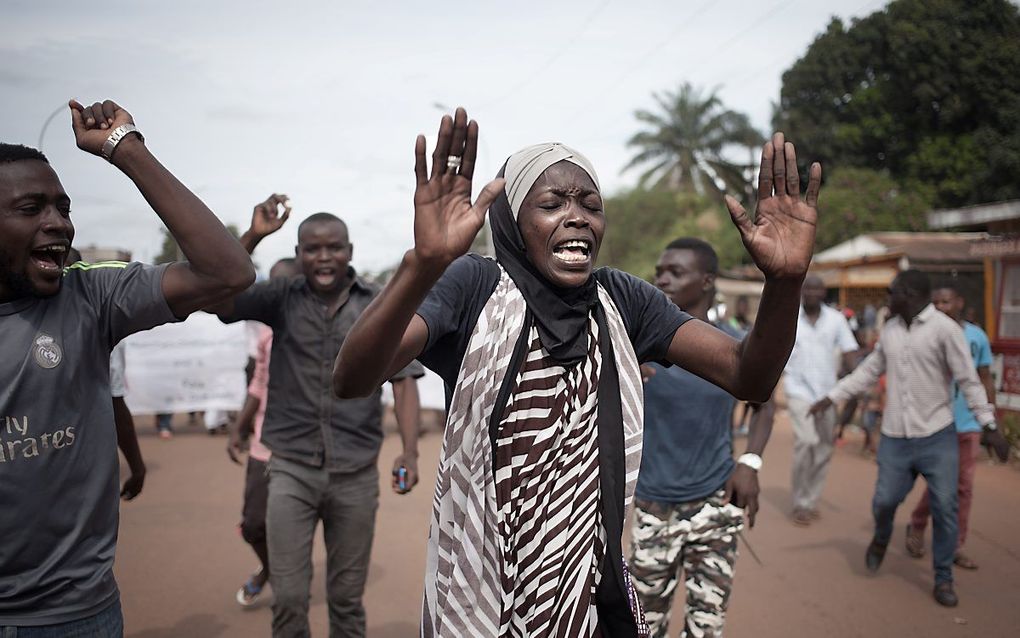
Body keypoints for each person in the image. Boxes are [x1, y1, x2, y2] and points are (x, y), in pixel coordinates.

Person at [332, 108, 821, 636]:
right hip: (480, 589)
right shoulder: (474, 287)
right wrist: (423, 265)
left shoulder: (621, 299)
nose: (578, 216)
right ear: (514, 225)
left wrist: (786, 282)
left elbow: (748, 376)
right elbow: (354, 378)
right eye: (552, 204)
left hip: (586, 593)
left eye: (591, 205)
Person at [0, 100, 254, 634]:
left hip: (81, 615)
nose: (58, 224)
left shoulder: (89, 296)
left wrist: (126, 149)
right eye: (31, 208)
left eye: (63, 208)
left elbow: (227, 272)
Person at [210, 194, 424, 637]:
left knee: (346, 600)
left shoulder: (378, 303)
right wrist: (251, 236)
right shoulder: (280, 298)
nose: (324, 257)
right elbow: (220, 299)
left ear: (350, 251)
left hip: (356, 474)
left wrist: (409, 451)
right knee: (289, 599)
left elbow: (403, 381)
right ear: (298, 255)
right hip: (290, 469)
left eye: (334, 247)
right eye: (312, 248)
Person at [810, 270, 1009, 608]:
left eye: (893, 292)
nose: (888, 298)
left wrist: (988, 423)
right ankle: (882, 536)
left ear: (911, 294)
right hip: (896, 437)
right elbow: (870, 370)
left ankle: (943, 577)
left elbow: (969, 378)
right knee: (883, 502)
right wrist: (833, 396)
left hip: (937, 435)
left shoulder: (945, 330)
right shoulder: (891, 329)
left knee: (945, 506)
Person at [629, 238, 776, 638]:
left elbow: (765, 405)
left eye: (676, 272)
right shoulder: (633, 346)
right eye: (660, 272)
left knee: (706, 629)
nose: (663, 279)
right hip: (651, 508)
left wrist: (750, 462)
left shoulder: (732, 347)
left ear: (707, 280)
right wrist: (622, 373)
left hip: (714, 506)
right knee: (644, 627)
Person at [906, 282, 997, 570]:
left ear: (960, 302)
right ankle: (918, 524)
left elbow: (984, 378)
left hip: (968, 422)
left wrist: (990, 423)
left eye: (947, 301)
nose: (942, 307)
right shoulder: (922, 333)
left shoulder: (976, 337)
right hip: (936, 423)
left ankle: (956, 545)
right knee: (940, 484)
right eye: (937, 302)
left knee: (963, 487)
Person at [226, 256, 299, 608]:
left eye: (286, 285)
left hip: (305, 454)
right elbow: (259, 384)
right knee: (254, 525)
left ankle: (288, 582)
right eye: (273, 285)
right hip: (264, 447)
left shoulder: (332, 333)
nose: (278, 293)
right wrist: (239, 427)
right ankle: (269, 569)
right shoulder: (266, 339)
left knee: (292, 530)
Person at [783, 274, 858, 526]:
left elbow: (849, 351)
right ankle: (800, 502)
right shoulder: (791, 319)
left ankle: (812, 499)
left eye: (817, 289)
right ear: (802, 291)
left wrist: (857, 381)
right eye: (808, 288)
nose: (812, 293)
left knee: (824, 448)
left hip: (827, 394)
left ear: (824, 293)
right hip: (798, 391)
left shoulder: (836, 321)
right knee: (806, 441)